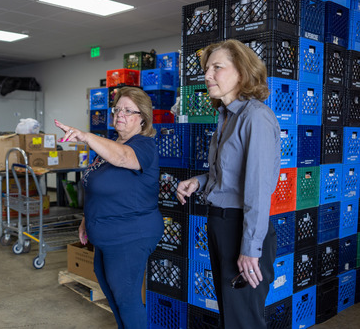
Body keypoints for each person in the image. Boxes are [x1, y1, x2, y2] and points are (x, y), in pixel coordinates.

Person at [175, 39, 281, 328]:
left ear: (242, 73)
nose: (207, 75)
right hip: (221, 224)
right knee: (231, 316)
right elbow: (229, 175)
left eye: (217, 68)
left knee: (243, 320)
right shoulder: (226, 116)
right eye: (207, 69)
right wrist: (198, 182)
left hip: (241, 228)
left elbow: (258, 189)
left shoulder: (255, 117)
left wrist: (250, 247)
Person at [55, 86, 164, 328]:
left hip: (129, 235)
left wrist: (85, 136)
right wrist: (86, 219)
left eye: (128, 110)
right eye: (117, 109)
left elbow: (124, 158)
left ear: (143, 118)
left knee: (128, 301)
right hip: (105, 234)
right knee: (114, 299)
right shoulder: (110, 146)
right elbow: (97, 187)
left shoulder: (143, 145)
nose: (120, 115)